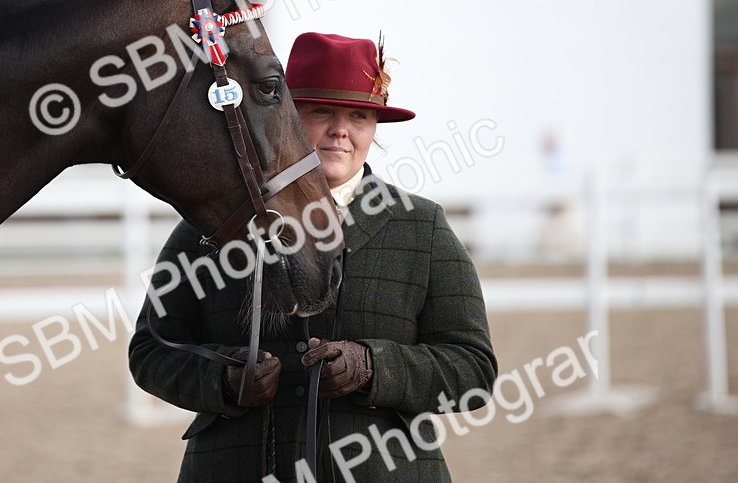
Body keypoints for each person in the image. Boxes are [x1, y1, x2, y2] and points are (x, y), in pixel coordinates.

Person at [128, 32, 497, 483]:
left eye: (359, 116)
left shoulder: (424, 227)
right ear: (286, 119)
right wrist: (223, 380)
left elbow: (474, 370)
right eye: (321, 111)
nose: (341, 130)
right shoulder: (209, 226)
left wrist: (374, 366)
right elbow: (152, 349)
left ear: (374, 128)